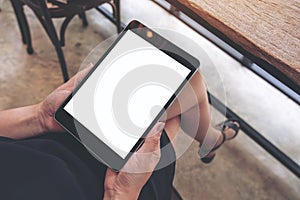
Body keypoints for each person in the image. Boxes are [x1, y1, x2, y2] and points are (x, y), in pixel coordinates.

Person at [0, 66, 239, 199]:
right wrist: (122, 192)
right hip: (108, 186)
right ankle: (210, 141)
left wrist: (40, 116)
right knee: (187, 90)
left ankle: (210, 141)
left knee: (178, 92)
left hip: (50, 142)